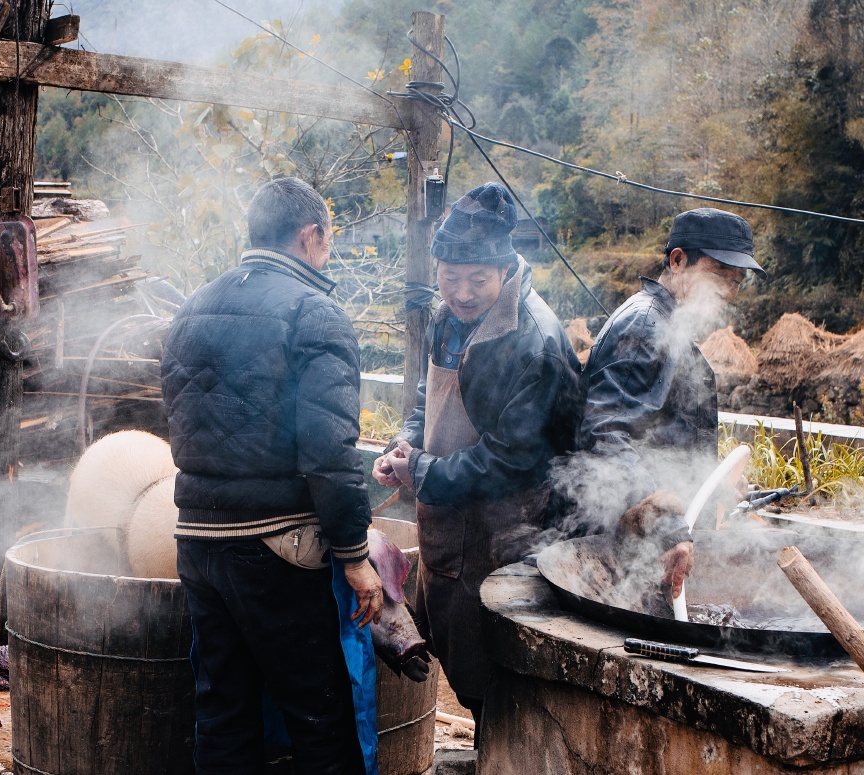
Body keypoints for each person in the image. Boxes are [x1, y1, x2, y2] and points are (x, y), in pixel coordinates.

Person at [161, 177, 382, 774]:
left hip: (198, 543)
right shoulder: (316, 313)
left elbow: (180, 420)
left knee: (223, 714)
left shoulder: (191, 307)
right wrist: (354, 553)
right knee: (318, 719)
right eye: (328, 238)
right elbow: (330, 449)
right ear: (310, 236)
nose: (328, 250)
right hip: (277, 544)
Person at [372, 182, 582, 739]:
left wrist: (423, 472)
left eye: (477, 280)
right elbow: (425, 397)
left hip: (506, 534)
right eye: (450, 276)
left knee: (500, 682)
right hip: (449, 523)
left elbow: (510, 460)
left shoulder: (532, 340)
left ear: (507, 269)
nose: (461, 293)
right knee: (457, 654)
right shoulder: (447, 319)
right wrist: (405, 446)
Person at [577, 207, 766, 600]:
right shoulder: (645, 327)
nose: (728, 293)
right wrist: (667, 529)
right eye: (718, 275)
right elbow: (608, 437)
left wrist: (709, 489)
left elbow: (661, 441)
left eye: (736, 282)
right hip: (623, 548)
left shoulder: (668, 325)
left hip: (645, 546)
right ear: (678, 261)